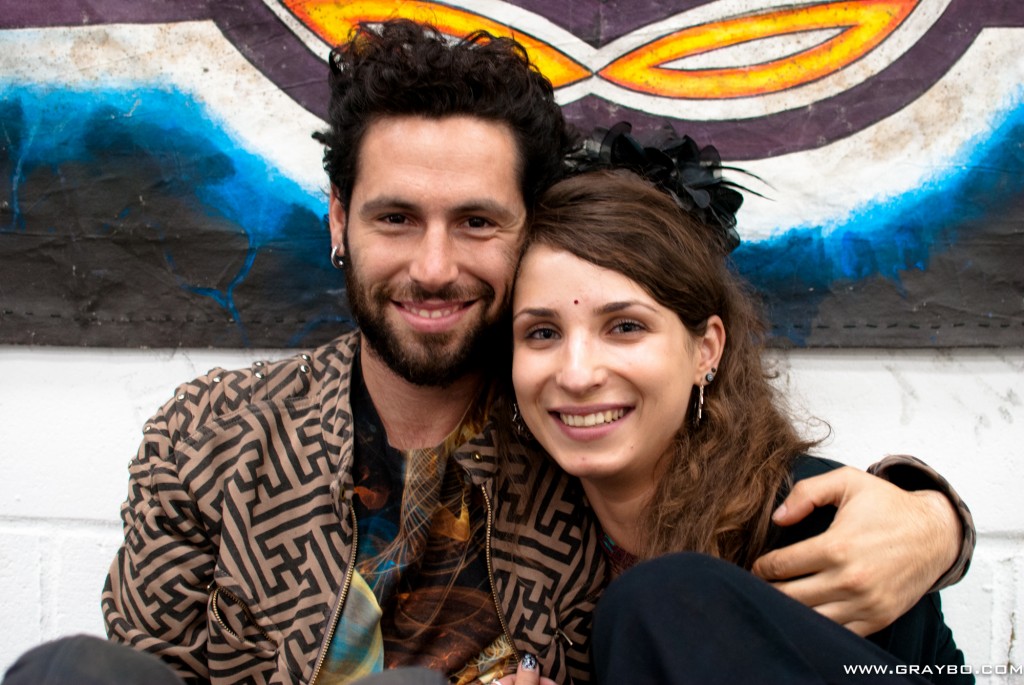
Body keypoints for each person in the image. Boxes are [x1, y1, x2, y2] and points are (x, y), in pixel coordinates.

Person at [90, 19, 972, 685]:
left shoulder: (575, 434)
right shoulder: (211, 435)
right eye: (395, 218)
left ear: (531, 237)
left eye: (477, 221)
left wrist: (931, 520)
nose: (433, 267)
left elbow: (733, 520)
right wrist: (941, 522)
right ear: (339, 223)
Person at [501, 130, 971, 684]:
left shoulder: (823, 531)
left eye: (625, 327)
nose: (577, 374)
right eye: (542, 333)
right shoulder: (503, 527)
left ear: (706, 351)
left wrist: (937, 520)